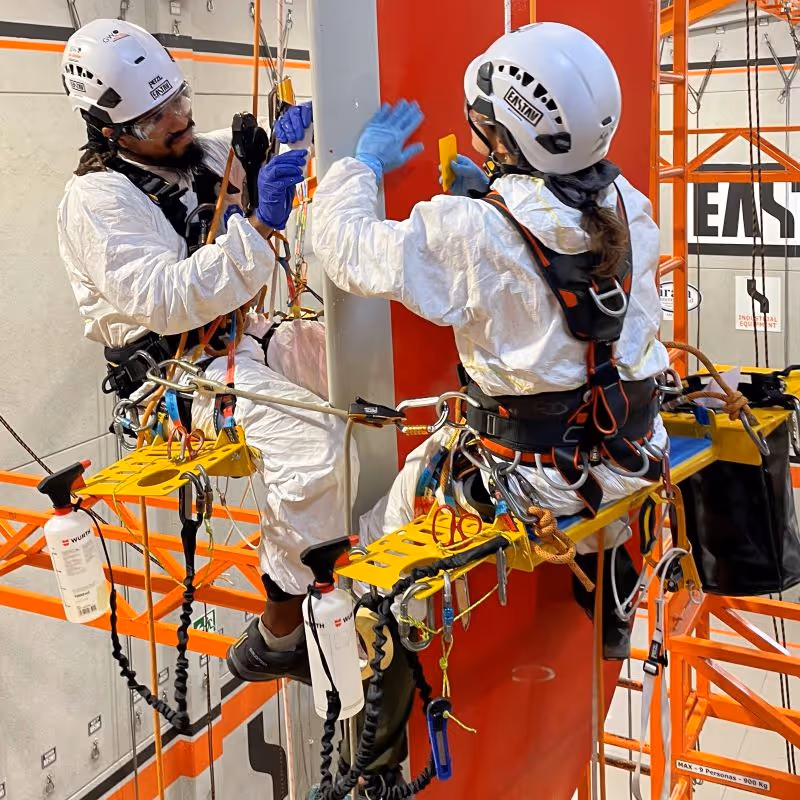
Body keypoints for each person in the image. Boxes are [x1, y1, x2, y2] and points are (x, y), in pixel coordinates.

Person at [312, 22, 671, 659]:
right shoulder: (627, 203)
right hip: (634, 452)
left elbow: (343, 249)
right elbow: (557, 257)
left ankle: (369, 645)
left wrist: (359, 165)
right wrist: (495, 199)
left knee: (379, 527)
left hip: (538, 478)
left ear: (503, 135)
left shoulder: (472, 231)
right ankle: (613, 581)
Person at [57, 18, 355, 684]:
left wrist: (312, 125)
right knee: (311, 449)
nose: (179, 122)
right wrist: (258, 225)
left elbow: (258, 155)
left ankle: (351, 549)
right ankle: (280, 630)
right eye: (156, 117)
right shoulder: (98, 202)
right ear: (113, 132)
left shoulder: (192, 151)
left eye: (181, 102)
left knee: (364, 374)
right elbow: (169, 298)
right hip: (176, 374)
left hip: (239, 337)